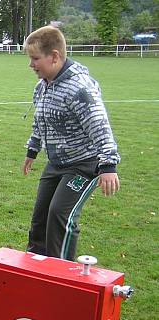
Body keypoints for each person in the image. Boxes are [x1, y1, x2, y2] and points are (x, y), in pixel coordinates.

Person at [22, 25, 120, 261]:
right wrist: (32, 150)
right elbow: (41, 121)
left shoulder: (80, 88)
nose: (31, 64)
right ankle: (34, 268)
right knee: (40, 217)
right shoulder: (42, 87)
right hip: (56, 163)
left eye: (35, 58)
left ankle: (61, 274)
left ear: (54, 56)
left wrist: (108, 167)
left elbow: (100, 126)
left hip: (84, 165)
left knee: (60, 215)